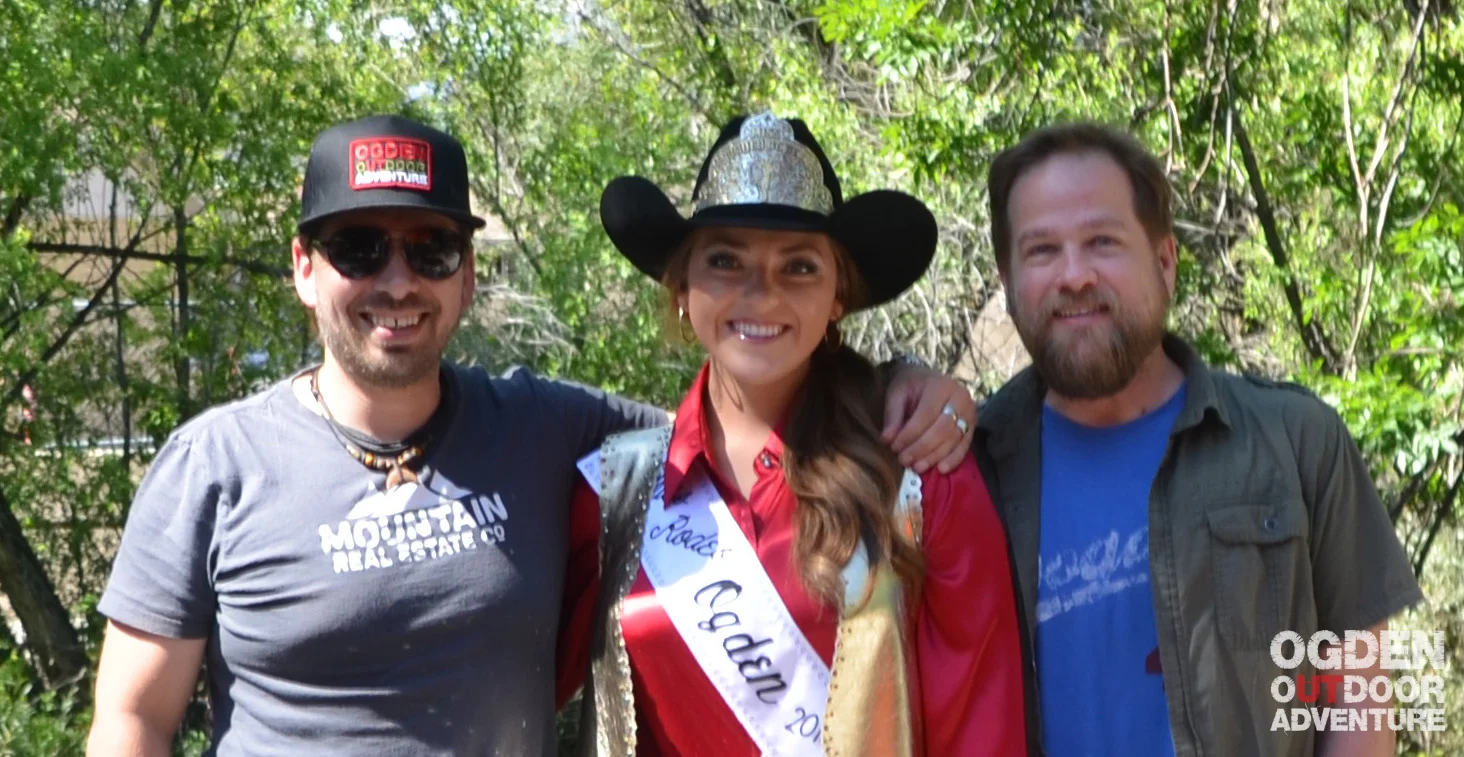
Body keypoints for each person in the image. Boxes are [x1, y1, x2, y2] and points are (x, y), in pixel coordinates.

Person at [84, 115, 980, 757]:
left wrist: (904, 387)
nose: (397, 281)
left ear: (467, 275)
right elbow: (132, 720)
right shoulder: (212, 463)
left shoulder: (560, 435)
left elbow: (743, 422)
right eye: (360, 247)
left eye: (430, 249)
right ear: (304, 267)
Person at [555, 112, 1028, 757]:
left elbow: (981, 729)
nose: (761, 292)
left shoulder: (919, 477)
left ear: (837, 295)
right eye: (725, 260)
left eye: (799, 267)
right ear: (683, 289)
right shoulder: (611, 494)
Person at [971, 122, 1425, 757]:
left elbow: (1356, 694)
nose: (1073, 275)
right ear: (1010, 279)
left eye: (1102, 241)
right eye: (1042, 250)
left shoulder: (1295, 443)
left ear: (1164, 261)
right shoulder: (968, 470)